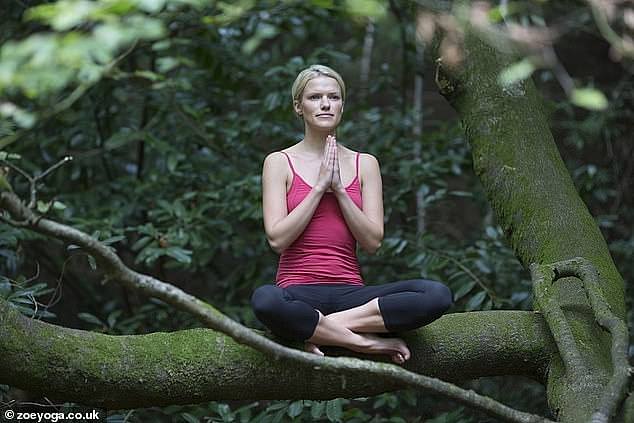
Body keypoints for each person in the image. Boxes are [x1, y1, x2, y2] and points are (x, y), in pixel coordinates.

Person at [251, 64, 453, 364]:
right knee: (265, 300)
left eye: (333, 97)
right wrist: (320, 187)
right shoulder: (279, 162)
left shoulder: (365, 164)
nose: (324, 104)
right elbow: (278, 239)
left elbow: (372, 242)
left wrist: (340, 191)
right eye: (314, 97)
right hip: (296, 294)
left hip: (352, 296)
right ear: (298, 106)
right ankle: (363, 343)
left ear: (342, 105)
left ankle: (319, 330)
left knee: (436, 294)